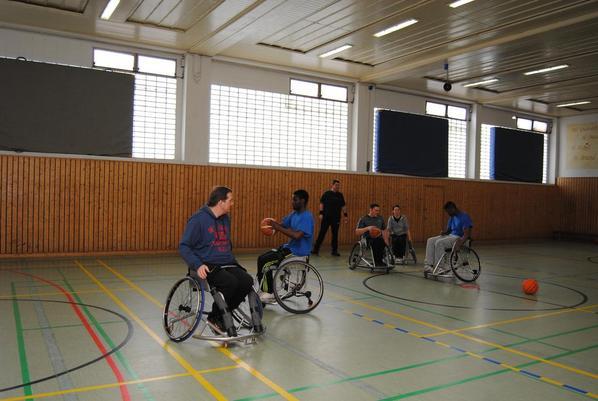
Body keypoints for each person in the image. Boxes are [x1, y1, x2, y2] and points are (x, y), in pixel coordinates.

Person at [179, 186, 254, 332]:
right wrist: (197, 265)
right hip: (206, 264)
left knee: (247, 281)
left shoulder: (226, 219)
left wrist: (234, 262)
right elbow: (184, 246)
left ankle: (219, 315)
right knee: (230, 282)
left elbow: (226, 244)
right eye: (230, 200)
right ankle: (217, 317)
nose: (232, 203)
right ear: (221, 202)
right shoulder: (198, 219)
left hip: (227, 263)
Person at [257, 189, 314, 302]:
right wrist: (270, 226)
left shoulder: (307, 217)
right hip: (289, 249)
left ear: (302, 201)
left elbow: (297, 235)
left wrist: (278, 228)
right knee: (261, 258)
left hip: (298, 253)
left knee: (267, 264)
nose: (292, 202)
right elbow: (282, 225)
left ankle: (270, 293)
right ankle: (264, 289)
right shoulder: (294, 214)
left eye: (295, 200)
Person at [424, 201, 473, 273]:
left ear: (452, 209)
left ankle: (441, 267)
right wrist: (444, 233)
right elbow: (449, 231)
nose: (448, 213)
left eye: (448, 211)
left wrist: (460, 243)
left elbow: (467, 234)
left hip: (458, 238)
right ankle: (429, 265)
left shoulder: (464, 216)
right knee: (430, 240)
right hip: (450, 236)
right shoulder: (452, 217)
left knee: (439, 243)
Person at [312, 179, 347, 256]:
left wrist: (345, 215)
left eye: (338, 185)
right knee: (322, 233)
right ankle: (315, 249)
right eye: (336, 185)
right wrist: (321, 213)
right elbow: (321, 203)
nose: (337, 186)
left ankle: (334, 251)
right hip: (326, 217)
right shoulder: (327, 194)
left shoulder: (340, 195)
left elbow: (343, 206)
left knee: (335, 234)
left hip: (336, 218)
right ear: (332, 185)